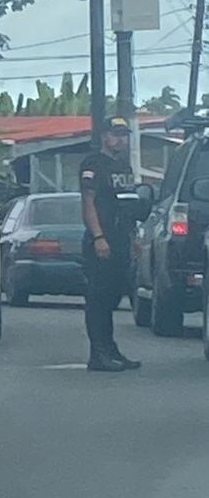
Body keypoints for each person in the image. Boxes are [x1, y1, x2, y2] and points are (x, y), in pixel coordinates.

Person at [80, 116, 141, 372]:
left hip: (122, 239)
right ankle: (99, 353)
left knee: (114, 296)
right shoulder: (93, 164)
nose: (120, 139)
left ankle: (110, 348)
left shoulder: (124, 167)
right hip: (102, 241)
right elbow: (88, 202)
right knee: (99, 299)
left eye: (124, 134)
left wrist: (134, 237)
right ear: (104, 136)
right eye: (115, 134)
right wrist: (98, 237)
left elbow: (129, 205)